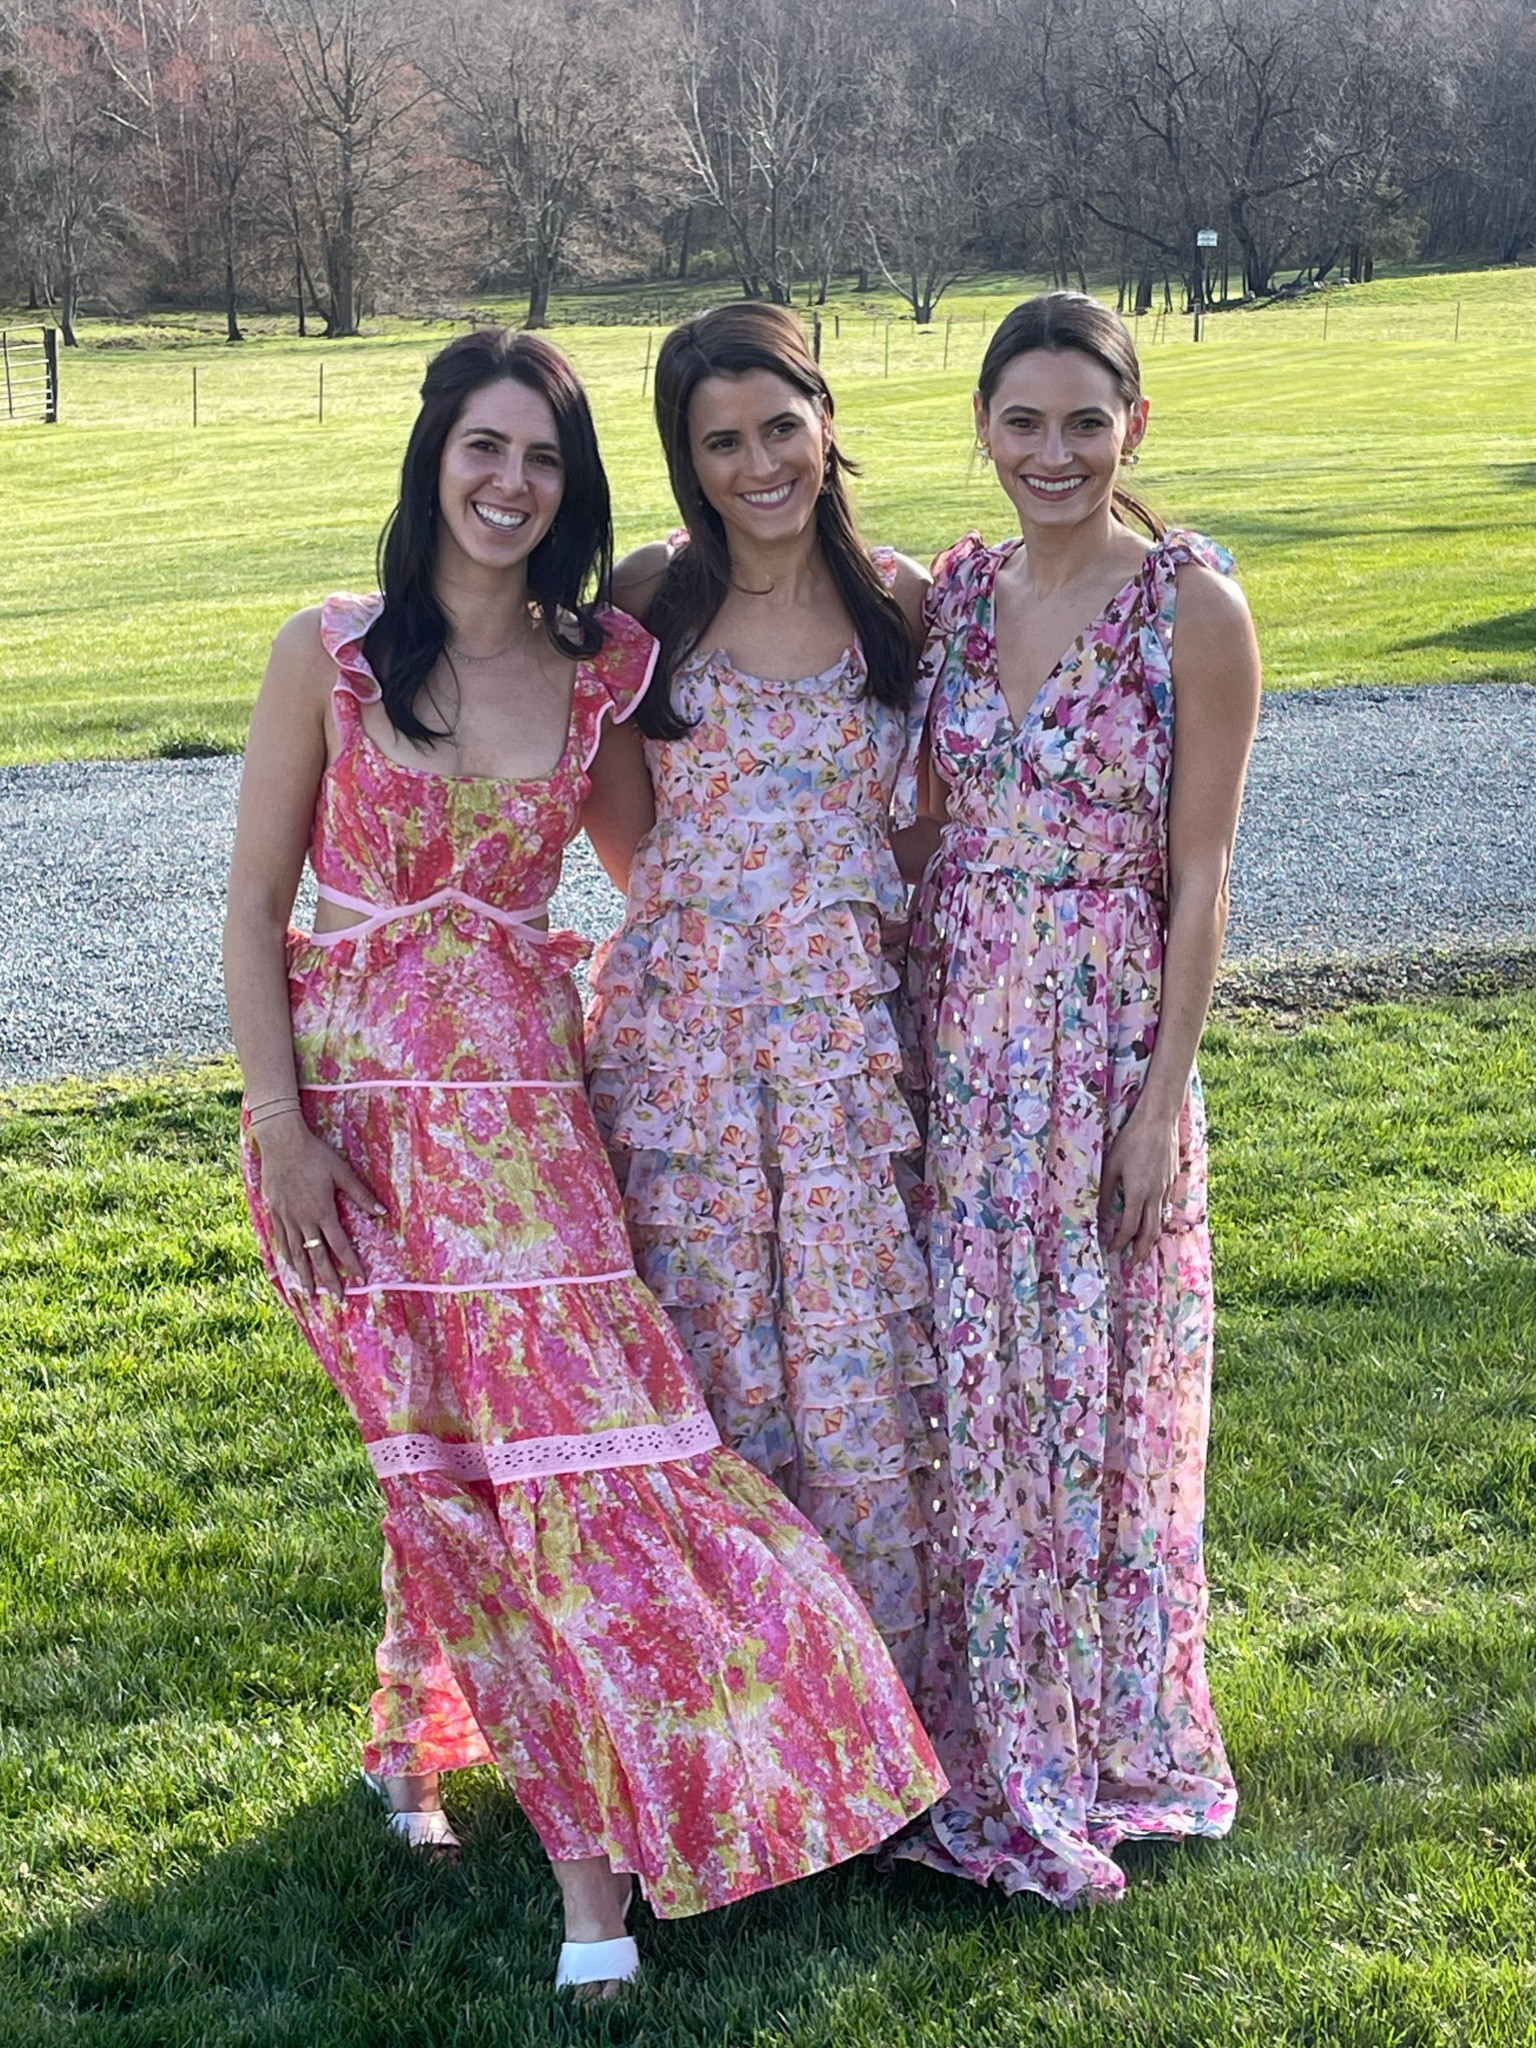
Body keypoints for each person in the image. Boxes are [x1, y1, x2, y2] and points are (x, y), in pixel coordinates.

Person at [223, 327, 944, 1997]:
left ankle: (742, 1767)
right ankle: (544, 1845)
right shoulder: (326, 653)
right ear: (433, 458)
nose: (509, 484)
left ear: (575, 488)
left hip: (540, 1127)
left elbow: (650, 871)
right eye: (484, 449)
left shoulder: (603, 661)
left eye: (542, 459)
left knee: (593, 1462)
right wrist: (285, 1133)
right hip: (358, 1139)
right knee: (446, 1463)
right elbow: (258, 911)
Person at [903, 292, 1261, 1905]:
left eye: (1084, 423)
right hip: (955, 1044)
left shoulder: (1190, 607)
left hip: (1107, 1043)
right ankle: (981, 1710)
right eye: (1023, 422)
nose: (1053, 454)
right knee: (977, 1394)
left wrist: (1156, 1103)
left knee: (1098, 1394)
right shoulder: (954, 596)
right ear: (982, 426)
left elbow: (1203, 882)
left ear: (1135, 431)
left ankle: (1106, 1729)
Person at [584, 303, 943, 1692]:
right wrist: (728, 933)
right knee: (710, 1348)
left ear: (827, 419)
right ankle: (721, 1705)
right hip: (686, 1047)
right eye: (720, 441)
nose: (758, 465)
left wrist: (823, 935)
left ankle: (869, 1708)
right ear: (686, 457)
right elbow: (625, 829)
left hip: (847, 1047)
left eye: (779, 427)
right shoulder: (655, 598)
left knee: (854, 1359)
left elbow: (916, 824)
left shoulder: (899, 603)